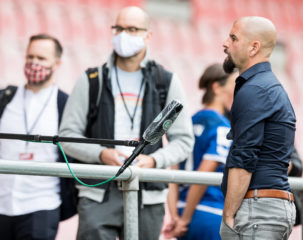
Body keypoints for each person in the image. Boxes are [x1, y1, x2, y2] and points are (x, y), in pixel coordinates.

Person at [59, 6, 194, 240]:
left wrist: (153, 160)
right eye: (119, 28)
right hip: (97, 192)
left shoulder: (166, 81)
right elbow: (68, 135)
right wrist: (101, 154)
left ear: (147, 35)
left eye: (132, 29)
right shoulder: (91, 79)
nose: (123, 35)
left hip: (148, 193)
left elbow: (183, 140)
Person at [219, 16, 296, 240]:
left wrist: (229, 214)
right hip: (268, 208)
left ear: (254, 47)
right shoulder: (266, 85)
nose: (225, 43)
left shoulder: (255, 89)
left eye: (233, 38)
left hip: (257, 210)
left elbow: (244, 157)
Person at [0, 34, 77, 240]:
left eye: (41, 58)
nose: (34, 63)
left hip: (42, 205)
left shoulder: (66, 105)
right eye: (30, 56)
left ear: (57, 63)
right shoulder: (4, 99)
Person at [163, 63, 237, 240]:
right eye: (235, 84)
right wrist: (186, 219)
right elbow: (203, 175)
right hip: (209, 212)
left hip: (181, 211)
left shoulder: (186, 124)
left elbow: (171, 175)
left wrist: (175, 216)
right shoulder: (222, 128)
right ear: (217, 87)